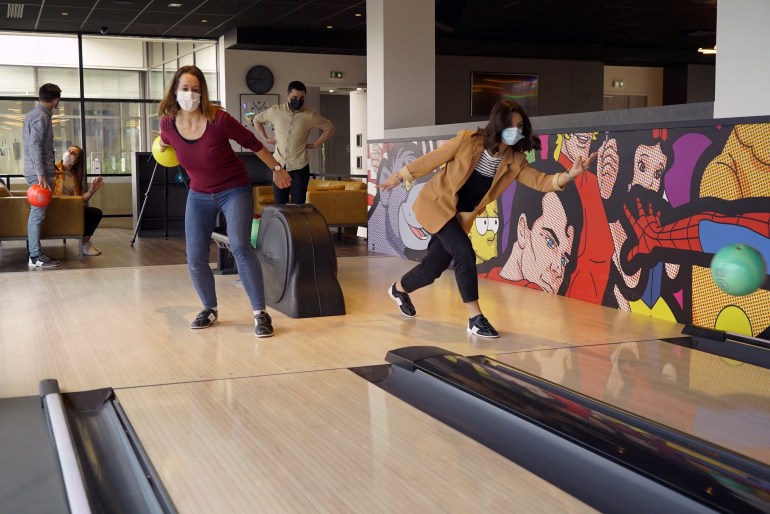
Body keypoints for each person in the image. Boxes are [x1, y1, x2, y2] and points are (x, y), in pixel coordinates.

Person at [379, 99, 596, 338]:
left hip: (459, 217)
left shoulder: (515, 162)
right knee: (464, 252)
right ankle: (475, 318)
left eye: (520, 125)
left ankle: (399, 290)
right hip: (437, 205)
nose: (516, 130)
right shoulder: (468, 141)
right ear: (498, 124)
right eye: (511, 124)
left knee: (432, 269)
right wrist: (399, 176)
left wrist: (569, 175)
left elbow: (542, 181)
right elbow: (432, 159)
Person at [157, 65, 291, 337]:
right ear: (174, 91)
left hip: (234, 189)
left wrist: (277, 170)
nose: (190, 94)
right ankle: (209, 309)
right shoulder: (168, 123)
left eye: (196, 89)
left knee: (240, 246)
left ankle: (260, 313)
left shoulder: (219, 119)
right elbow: (164, 142)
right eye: (185, 89)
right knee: (194, 256)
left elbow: (253, 143)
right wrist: (161, 145)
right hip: (199, 194)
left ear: (203, 93)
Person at [253, 80, 335, 205]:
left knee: (298, 208)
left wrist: (316, 144)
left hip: (300, 167)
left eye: (301, 98)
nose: (298, 100)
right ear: (287, 95)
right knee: (280, 206)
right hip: (279, 166)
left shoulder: (310, 115)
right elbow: (257, 120)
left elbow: (330, 127)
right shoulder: (276, 111)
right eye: (295, 97)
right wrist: (265, 138)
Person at [23, 83, 62, 268]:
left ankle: (34, 254)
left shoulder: (34, 114)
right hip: (39, 174)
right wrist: (41, 174)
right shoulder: (41, 116)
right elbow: (35, 145)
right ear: (56, 100)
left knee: (37, 214)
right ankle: (35, 257)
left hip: (39, 171)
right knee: (37, 214)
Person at [53, 145, 104, 256]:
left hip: (70, 208)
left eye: (74, 153)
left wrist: (92, 190)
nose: (69, 153)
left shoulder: (76, 176)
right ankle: (85, 244)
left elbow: (81, 200)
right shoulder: (53, 168)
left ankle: (85, 244)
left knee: (95, 213)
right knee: (89, 213)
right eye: (69, 150)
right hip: (55, 208)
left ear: (76, 161)